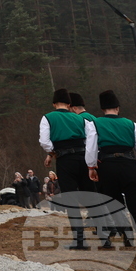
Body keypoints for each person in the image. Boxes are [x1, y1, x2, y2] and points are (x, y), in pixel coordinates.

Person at [85, 89, 136, 266]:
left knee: (114, 206)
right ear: (118, 107)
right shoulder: (132, 125)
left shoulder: (94, 124)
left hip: (107, 169)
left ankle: (126, 239)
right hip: (129, 167)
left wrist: (91, 168)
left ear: (103, 109)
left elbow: (91, 149)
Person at [39, 88, 93, 250]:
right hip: (83, 157)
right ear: (69, 104)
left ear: (54, 103)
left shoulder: (48, 117)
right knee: (91, 197)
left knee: (71, 199)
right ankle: (105, 237)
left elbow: (44, 141)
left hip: (64, 159)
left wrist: (52, 152)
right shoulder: (80, 119)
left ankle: (80, 240)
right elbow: (91, 138)